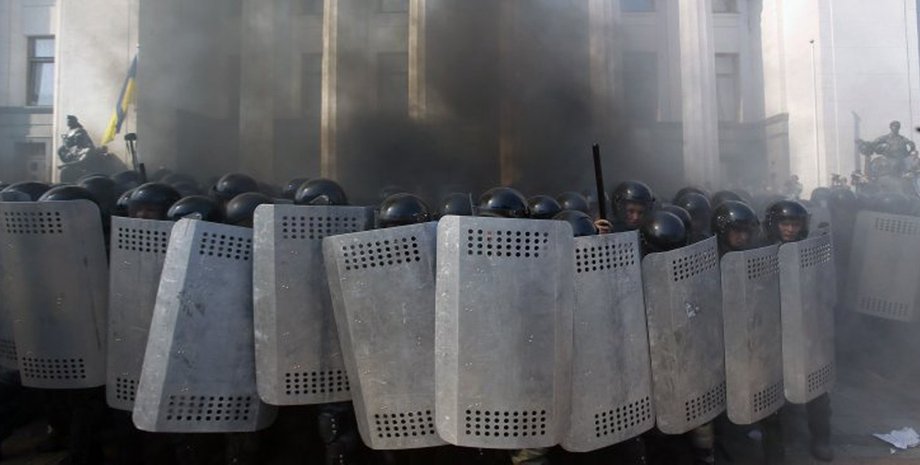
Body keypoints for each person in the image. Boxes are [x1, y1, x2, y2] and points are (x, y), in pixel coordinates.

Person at [764, 200, 834, 462]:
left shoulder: (811, 250)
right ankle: (775, 449)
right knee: (771, 392)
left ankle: (821, 438)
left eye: (795, 224)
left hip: (805, 326)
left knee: (815, 387)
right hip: (774, 328)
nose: (790, 229)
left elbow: (824, 287)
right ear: (774, 224)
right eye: (785, 223)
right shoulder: (761, 252)